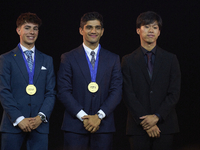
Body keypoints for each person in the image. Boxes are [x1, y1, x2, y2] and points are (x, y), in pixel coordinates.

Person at [57, 12, 122, 150]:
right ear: (81, 30)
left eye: (97, 27)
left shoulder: (113, 58)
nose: (93, 31)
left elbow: (116, 91)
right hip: (75, 126)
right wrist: (84, 117)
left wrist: (99, 116)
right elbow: (63, 91)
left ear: (102, 31)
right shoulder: (68, 57)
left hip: (103, 126)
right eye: (89, 27)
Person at [121, 11, 181, 150]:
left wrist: (157, 117)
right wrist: (146, 121)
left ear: (159, 32)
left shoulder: (171, 59)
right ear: (138, 30)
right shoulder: (127, 60)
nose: (151, 30)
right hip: (137, 127)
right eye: (147, 26)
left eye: (155, 27)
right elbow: (128, 93)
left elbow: (174, 92)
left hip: (165, 125)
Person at [0, 12, 56, 150]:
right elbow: (3, 91)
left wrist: (40, 117)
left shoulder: (47, 60)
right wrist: (19, 118)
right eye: (27, 27)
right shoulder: (6, 59)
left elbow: (51, 92)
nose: (32, 32)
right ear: (18, 30)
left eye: (35, 28)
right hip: (13, 125)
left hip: (39, 126)